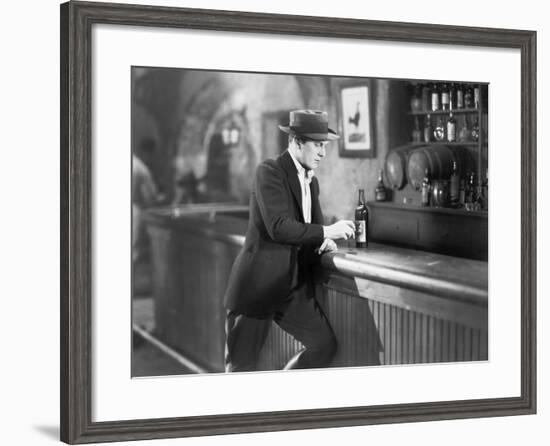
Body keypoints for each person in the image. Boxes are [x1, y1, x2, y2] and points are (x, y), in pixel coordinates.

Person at [223, 109, 356, 372]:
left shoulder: (311, 182)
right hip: (257, 286)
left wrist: (321, 243)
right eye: (318, 145)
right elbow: (279, 227)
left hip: (291, 288)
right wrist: (328, 232)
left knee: (323, 345)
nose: (323, 152)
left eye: (325, 146)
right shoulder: (269, 171)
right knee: (240, 370)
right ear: (296, 142)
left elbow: (310, 227)